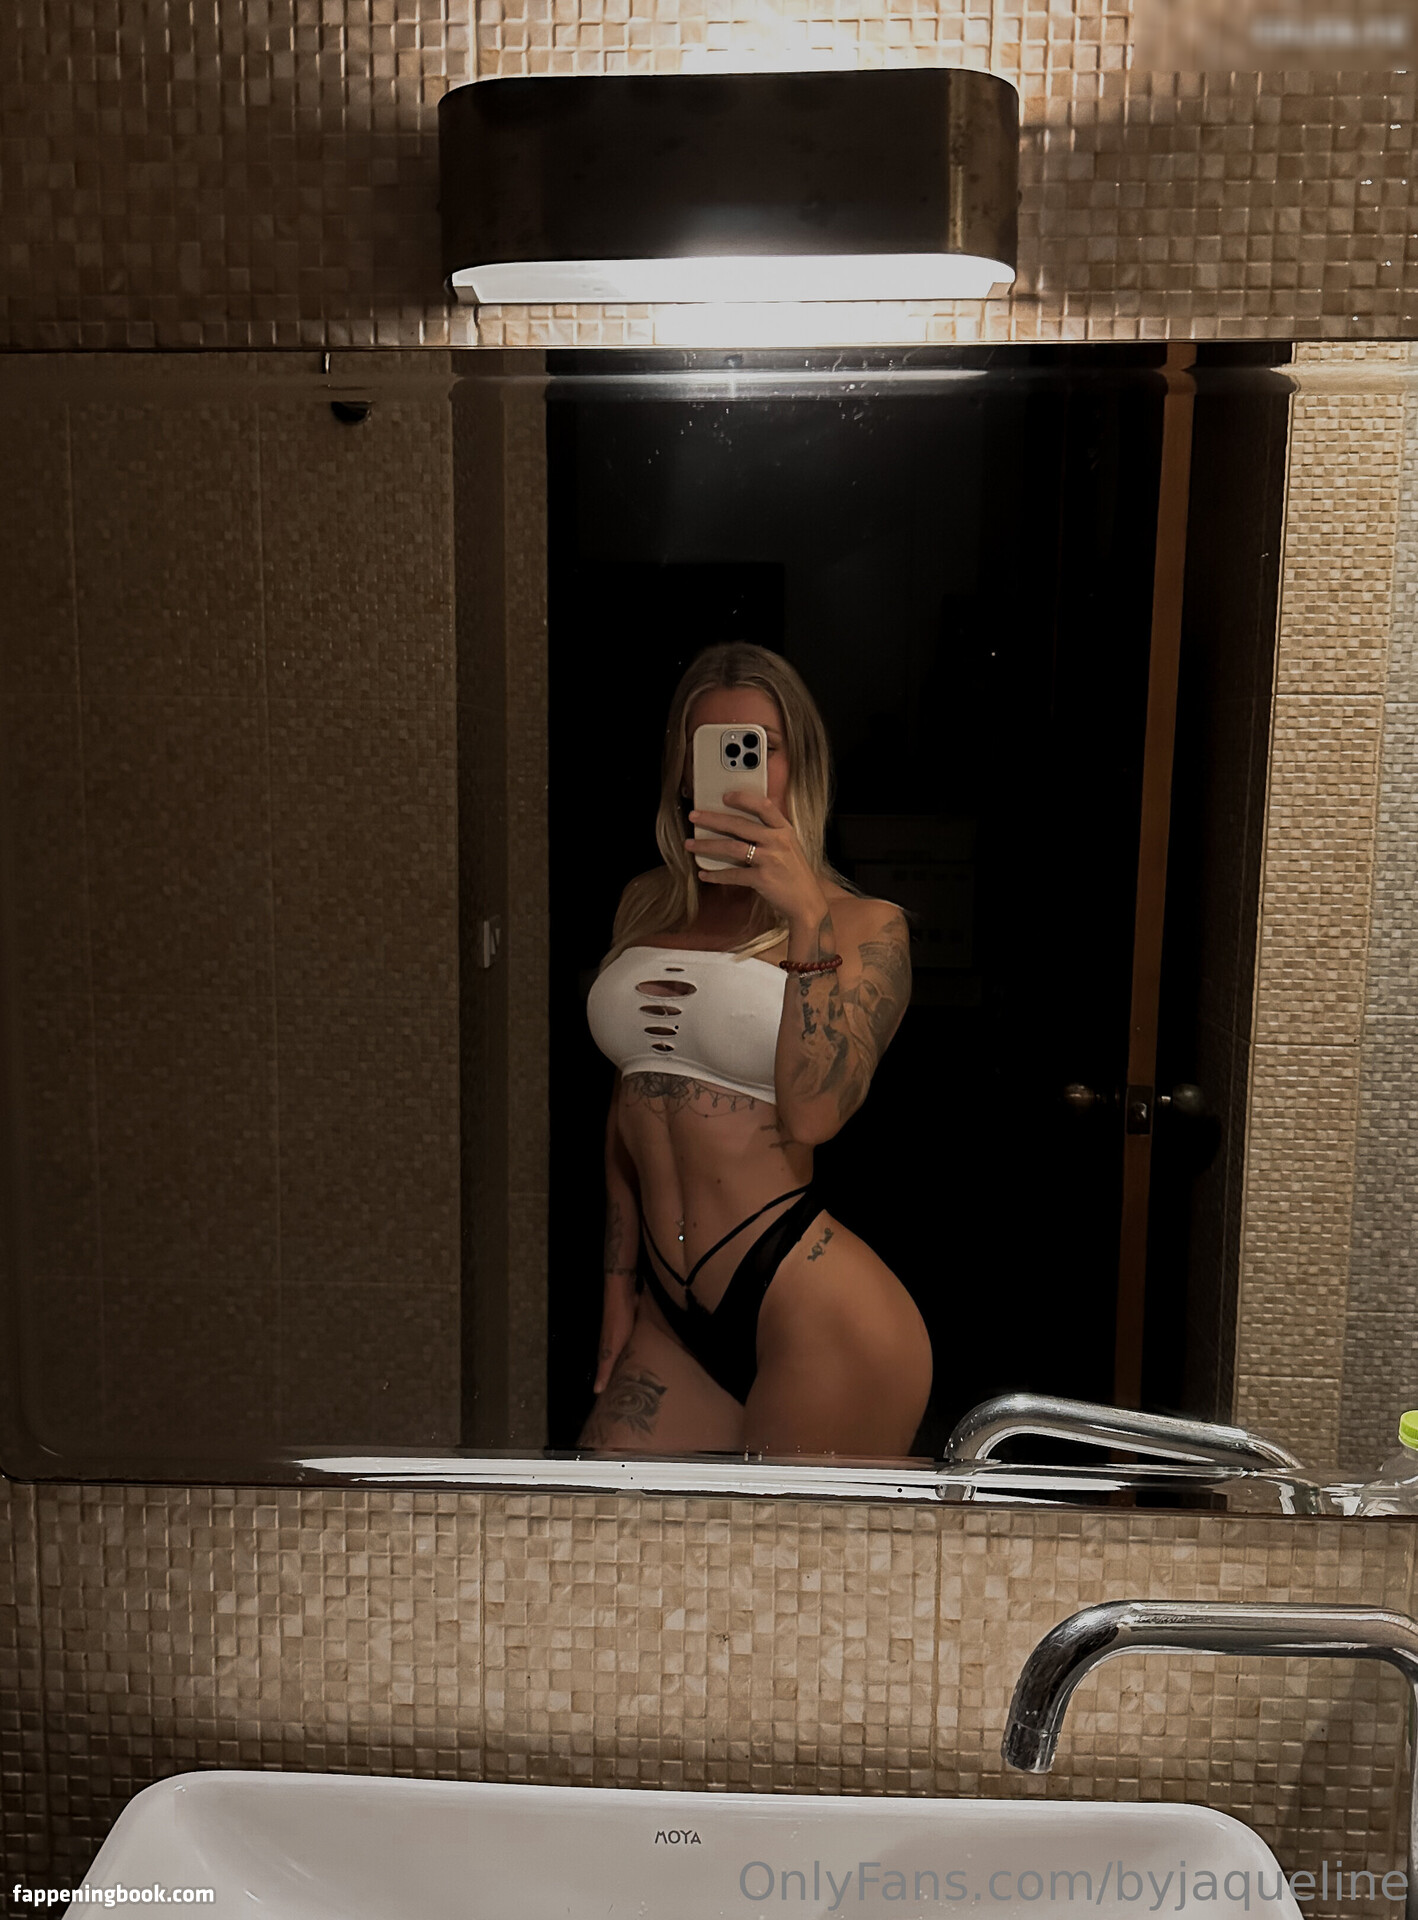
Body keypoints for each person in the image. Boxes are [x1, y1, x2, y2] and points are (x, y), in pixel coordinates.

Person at [580, 643, 932, 1457]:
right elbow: (629, 1104)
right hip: (672, 1315)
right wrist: (618, 1289)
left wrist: (805, 918)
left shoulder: (866, 926)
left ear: (795, 767)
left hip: (814, 1309)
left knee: (782, 1544)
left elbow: (814, 1117)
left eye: (759, 747)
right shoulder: (645, 904)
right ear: (682, 771)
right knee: (602, 1522)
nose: (738, 770)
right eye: (711, 746)